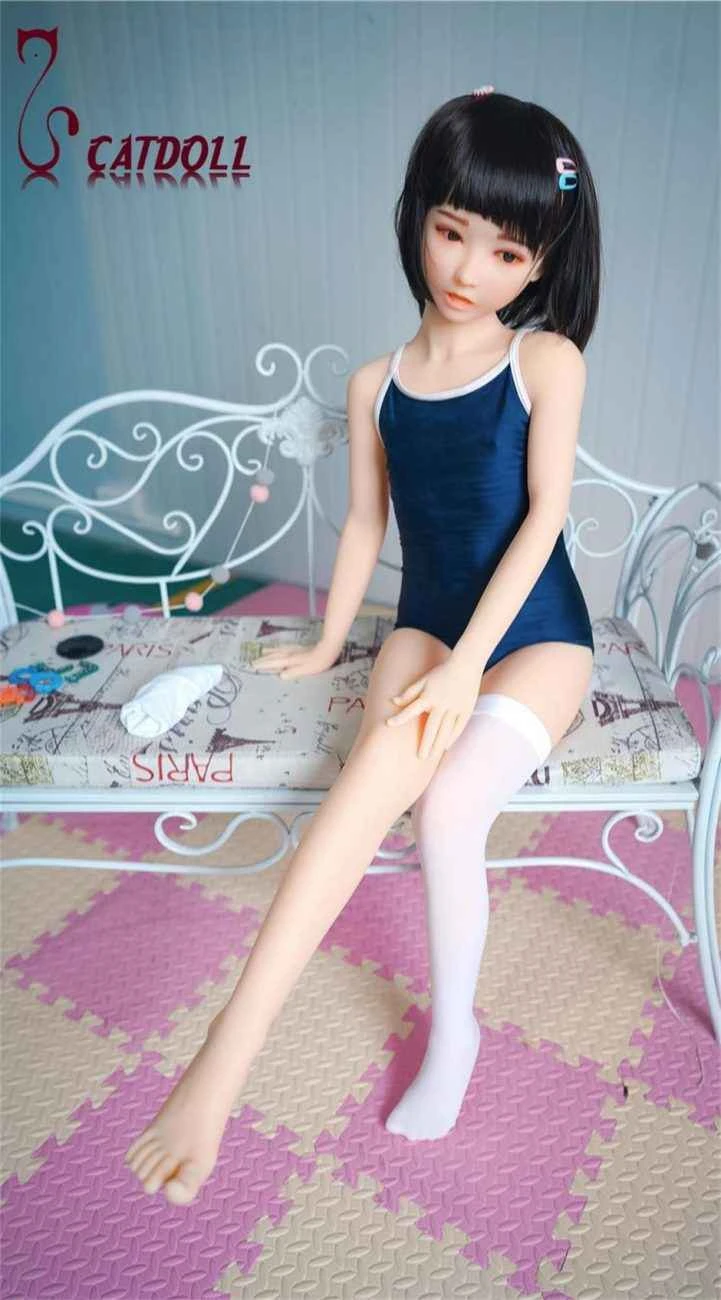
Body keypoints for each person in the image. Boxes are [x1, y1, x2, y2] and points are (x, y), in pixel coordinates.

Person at [125, 87, 599, 1202]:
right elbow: (361, 527)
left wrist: (471, 669)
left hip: (533, 635)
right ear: (416, 215)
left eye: (505, 251)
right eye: (450, 231)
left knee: (447, 807)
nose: (468, 269)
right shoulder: (374, 385)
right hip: (424, 623)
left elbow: (543, 520)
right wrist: (328, 640)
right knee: (369, 780)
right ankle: (225, 1056)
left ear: (537, 264)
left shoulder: (544, 363)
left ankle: (454, 1031)